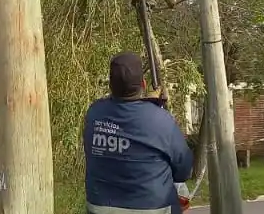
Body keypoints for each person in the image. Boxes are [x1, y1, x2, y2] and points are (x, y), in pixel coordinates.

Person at [83, 52, 194, 214]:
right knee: (181, 191)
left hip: (99, 208)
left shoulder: (94, 114)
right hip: (153, 209)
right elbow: (183, 170)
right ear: (143, 83)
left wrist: (150, 105)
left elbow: (127, 118)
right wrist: (154, 108)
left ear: (110, 86)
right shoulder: (161, 120)